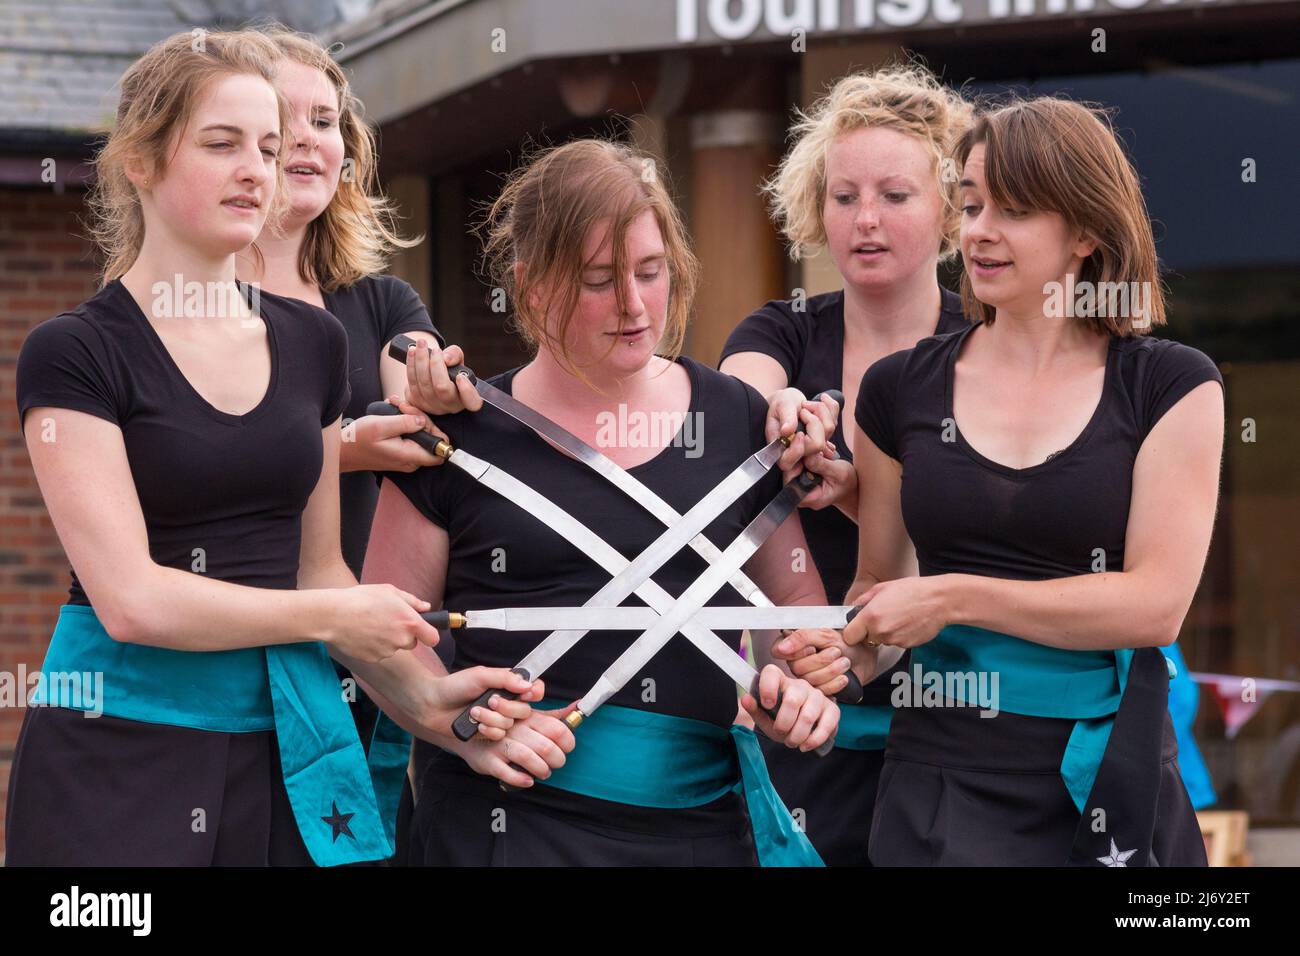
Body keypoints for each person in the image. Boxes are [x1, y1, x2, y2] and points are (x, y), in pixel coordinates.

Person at [5, 28, 537, 867]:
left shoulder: (315, 341)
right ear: (139, 161)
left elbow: (320, 568)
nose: (256, 168)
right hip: (116, 754)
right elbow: (132, 601)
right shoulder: (72, 353)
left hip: (290, 750)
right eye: (222, 145)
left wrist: (438, 711)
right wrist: (332, 616)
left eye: (269, 145)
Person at [365, 138, 840, 866]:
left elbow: (793, 636)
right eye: (597, 281)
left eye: (650, 273)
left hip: (701, 833)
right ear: (530, 288)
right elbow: (382, 635)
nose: (633, 304)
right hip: (502, 824)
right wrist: (456, 720)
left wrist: (798, 700)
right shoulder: (455, 436)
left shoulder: (742, 419)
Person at [801, 96, 1222, 865]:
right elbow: (878, 593)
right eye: (969, 204)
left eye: (1015, 210)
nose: (979, 231)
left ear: (1087, 232)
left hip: (1110, 783)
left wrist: (954, 597)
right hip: (938, 786)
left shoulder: (1172, 384)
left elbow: (1156, 604)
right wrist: (834, 659)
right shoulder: (899, 389)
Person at [719, 64, 972, 865]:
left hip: (964, 730)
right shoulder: (782, 328)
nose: (866, 219)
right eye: (844, 196)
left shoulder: (990, 349)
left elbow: (1001, 552)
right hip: (807, 721)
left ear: (950, 209)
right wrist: (781, 414)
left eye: (895, 196)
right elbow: (732, 405)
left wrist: (868, 496)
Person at [240, 24, 481, 861]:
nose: (311, 139)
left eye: (328, 120)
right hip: (235, 641)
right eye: (287, 119)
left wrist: (428, 386)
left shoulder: (377, 299)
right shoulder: (189, 303)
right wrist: (343, 446)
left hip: (364, 648)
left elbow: (407, 381)